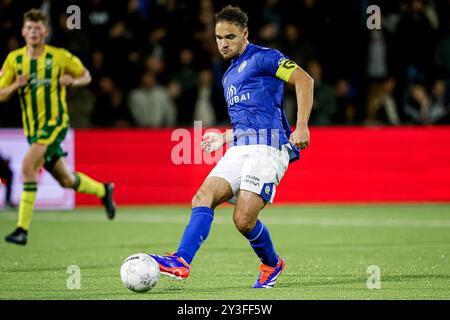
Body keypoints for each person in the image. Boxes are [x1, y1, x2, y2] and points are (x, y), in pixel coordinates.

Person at [149, 6, 313, 288]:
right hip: (240, 147)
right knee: (203, 195)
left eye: (230, 36)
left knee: (243, 220)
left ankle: (272, 263)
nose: (223, 43)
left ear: (245, 34)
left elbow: (304, 80)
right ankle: (181, 260)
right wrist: (223, 138)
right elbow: (248, 121)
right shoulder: (227, 76)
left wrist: (301, 125)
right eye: (218, 37)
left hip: (269, 147)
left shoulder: (265, 58)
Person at [0, 9, 116, 245]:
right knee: (66, 180)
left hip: (55, 124)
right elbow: (0, 94)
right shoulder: (14, 60)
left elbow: (87, 76)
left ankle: (22, 229)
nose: (33, 32)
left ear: (45, 31)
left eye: (38, 28)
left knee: (26, 165)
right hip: (33, 129)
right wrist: (15, 86)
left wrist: (72, 81)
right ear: (23, 31)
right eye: (29, 28)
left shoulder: (59, 56)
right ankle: (104, 190)